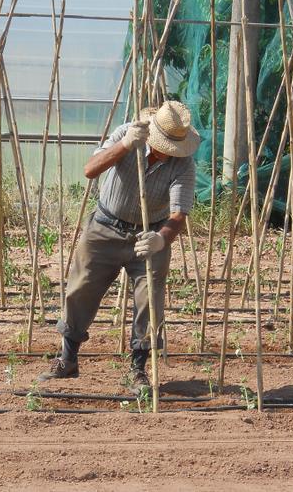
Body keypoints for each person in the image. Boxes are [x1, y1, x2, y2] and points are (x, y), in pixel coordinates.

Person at [37, 100, 200, 394]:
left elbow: (178, 214)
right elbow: (90, 169)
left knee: (150, 297)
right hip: (105, 226)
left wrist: (161, 238)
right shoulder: (127, 133)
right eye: (164, 144)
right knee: (79, 289)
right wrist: (124, 145)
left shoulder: (183, 163)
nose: (167, 152)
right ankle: (68, 358)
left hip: (150, 232)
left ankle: (138, 369)